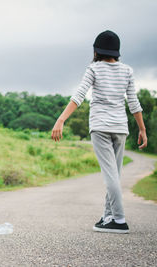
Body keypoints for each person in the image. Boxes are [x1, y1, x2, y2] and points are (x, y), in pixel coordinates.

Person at [51, 30, 147, 234]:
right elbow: (133, 103)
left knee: (110, 176)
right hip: (121, 129)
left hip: (101, 127)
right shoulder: (127, 70)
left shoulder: (94, 69)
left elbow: (79, 96)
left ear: (96, 51)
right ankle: (108, 216)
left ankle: (119, 220)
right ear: (117, 52)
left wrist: (61, 119)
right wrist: (142, 129)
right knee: (115, 174)